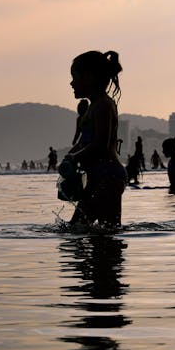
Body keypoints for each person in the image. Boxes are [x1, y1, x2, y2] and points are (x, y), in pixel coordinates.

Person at [59, 50, 127, 226]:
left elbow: (101, 144)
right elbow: (85, 141)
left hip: (108, 177)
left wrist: (75, 157)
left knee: (77, 228)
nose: (71, 83)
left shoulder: (103, 105)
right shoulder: (93, 107)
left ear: (89, 77)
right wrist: (71, 154)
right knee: (108, 231)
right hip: (98, 178)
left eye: (75, 77)